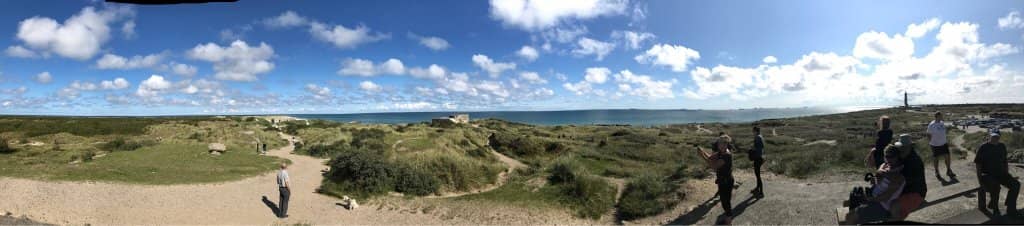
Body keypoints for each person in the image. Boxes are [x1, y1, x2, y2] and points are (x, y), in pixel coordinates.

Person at [855, 145, 906, 223]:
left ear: (897, 157)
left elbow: (886, 196)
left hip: (882, 206)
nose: (888, 159)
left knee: (852, 216)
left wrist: (870, 199)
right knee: (853, 202)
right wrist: (875, 178)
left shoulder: (898, 176)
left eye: (891, 156)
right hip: (874, 197)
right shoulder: (885, 166)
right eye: (886, 156)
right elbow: (876, 179)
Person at [975, 130, 1019, 216]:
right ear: (989, 136)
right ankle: (995, 208)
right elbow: (978, 164)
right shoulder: (983, 147)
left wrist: (1007, 173)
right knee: (996, 186)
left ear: (999, 137)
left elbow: (1005, 161)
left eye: (997, 137)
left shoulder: (1002, 146)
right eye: (993, 136)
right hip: (987, 175)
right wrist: (979, 179)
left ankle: (1011, 208)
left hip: (1001, 173)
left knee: (1016, 184)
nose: (995, 138)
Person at [697, 135, 735, 224]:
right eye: (719, 143)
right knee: (724, 201)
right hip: (722, 180)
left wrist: (702, 156)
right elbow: (710, 158)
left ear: (726, 144)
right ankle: (727, 219)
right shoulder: (720, 152)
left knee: (726, 202)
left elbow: (714, 166)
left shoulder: (727, 155)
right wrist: (702, 152)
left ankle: (728, 222)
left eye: (722, 143)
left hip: (727, 181)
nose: (720, 145)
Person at [893, 134, 927, 220]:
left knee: (894, 206)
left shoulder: (914, 161)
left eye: (903, 147)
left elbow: (908, 181)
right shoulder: (904, 157)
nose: (901, 149)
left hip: (916, 193)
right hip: (908, 190)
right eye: (901, 147)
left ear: (909, 147)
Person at [927, 112, 955, 178]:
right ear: (936, 117)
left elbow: (944, 131)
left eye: (941, 116)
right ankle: (937, 172)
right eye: (940, 116)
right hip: (935, 145)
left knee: (948, 157)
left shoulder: (942, 123)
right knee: (936, 159)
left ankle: (949, 170)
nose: (942, 117)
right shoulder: (932, 125)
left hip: (944, 143)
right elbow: (928, 134)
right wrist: (931, 142)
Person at [749, 126, 766, 198]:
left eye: (753, 131)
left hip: (758, 158)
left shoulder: (757, 137)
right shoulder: (760, 136)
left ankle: (761, 192)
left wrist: (752, 148)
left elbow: (759, 147)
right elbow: (761, 147)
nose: (752, 132)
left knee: (758, 175)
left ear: (756, 131)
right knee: (757, 174)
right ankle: (757, 188)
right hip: (760, 157)